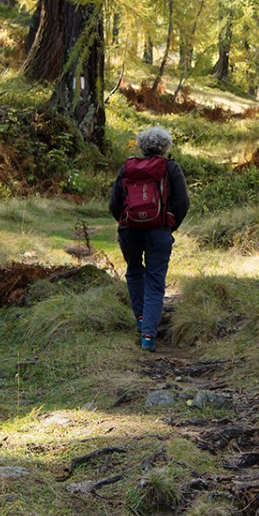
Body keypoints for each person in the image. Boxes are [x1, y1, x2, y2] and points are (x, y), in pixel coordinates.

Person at [108, 126, 189, 351]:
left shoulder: (127, 168)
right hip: (159, 232)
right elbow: (183, 203)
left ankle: (142, 319)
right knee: (155, 282)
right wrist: (168, 226)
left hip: (128, 231)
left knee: (134, 272)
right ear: (165, 147)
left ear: (142, 147)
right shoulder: (171, 168)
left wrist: (126, 223)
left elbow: (114, 204)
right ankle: (148, 336)